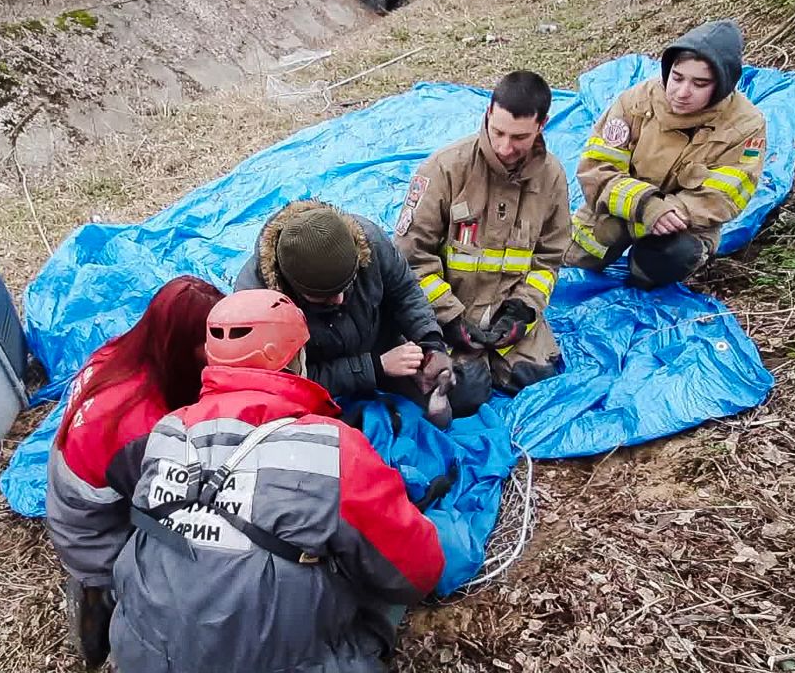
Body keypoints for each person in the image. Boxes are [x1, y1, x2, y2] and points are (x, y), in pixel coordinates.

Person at [88, 289, 445, 671]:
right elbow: (419, 570)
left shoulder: (168, 431)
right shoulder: (331, 450)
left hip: (143, 655)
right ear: (296, 358)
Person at [44, 275, 224, 669]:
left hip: (69, 500)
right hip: (94, 536)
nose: (218, 353)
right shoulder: (141, 428)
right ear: (182, 348)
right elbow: (170, 513)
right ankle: (100, 614)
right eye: (210, 343)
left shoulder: (117, 354)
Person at [394, 70, 571, 410]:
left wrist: (523, 310)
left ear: (542, 125)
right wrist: (449, 318)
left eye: (519, 137)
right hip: (447, 314)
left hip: (506, 315)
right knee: (464, 393)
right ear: (488, 113)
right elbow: (410, 260)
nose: (505, 147)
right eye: (498, 131)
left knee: (537, 378)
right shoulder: (444, 170)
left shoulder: (551, 177)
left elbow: (549, 259)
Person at [565, 19, 767, 289]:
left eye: (699, 83)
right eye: (677, 77)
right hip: (621, 209)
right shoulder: (635, 101)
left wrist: (668, 212)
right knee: (574, 258)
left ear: (723, 84)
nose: (682, 92)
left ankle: (642, 277)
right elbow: (597, 167)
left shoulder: (746, 126)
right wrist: (645, 205)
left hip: (681, 224)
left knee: (672, 256)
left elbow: (725, 194)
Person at [233, 200, 455, 412]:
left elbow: (405, 292)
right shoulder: (257, 303)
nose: (339, 300)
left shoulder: (369, 242)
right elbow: (289, 382)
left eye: (347, 286)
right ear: (293, 288)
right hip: (322, 383)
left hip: (383, 351)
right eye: (324, 297)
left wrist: (431, 343)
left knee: (455, 397)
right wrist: (374, 368)